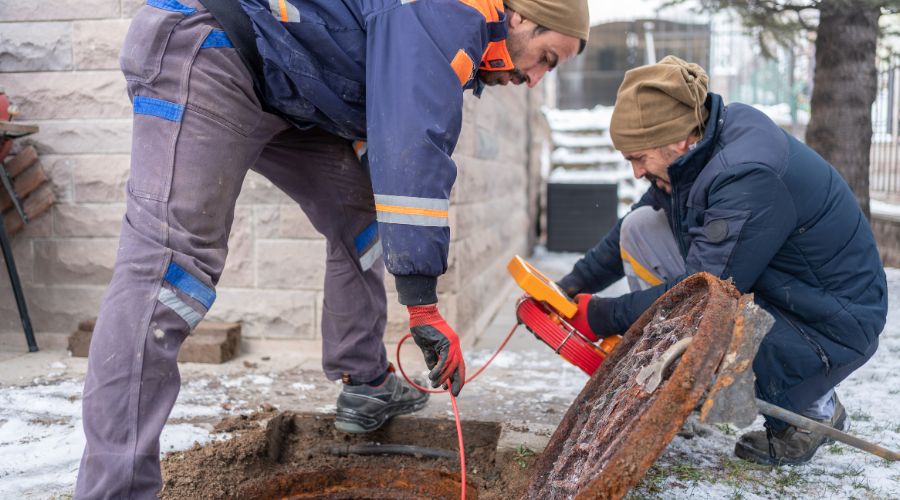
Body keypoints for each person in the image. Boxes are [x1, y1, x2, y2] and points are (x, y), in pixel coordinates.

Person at [74, 0, 589, 497]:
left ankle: (363, 381)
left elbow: (374, 84)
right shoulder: (450, 13)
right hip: (212, 45)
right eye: (546, 58)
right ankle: (115, 489)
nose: (536, 78)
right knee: (170, 272)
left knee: (358, 214)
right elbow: (412, 141)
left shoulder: (455, 29)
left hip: (284, 86)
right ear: (519, 16)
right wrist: (423, 306)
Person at [559, 56, 888, 466]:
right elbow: (639, 226)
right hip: (781, 287)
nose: (636, 170)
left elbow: (702, 290)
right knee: (642, 226)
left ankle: (810, 412)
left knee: (713, 346)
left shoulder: (746, 174)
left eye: (638, 157)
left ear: (677, 140)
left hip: (826, 322)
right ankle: (674, 370)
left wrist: (601, 315)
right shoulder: (697, 150)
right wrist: (571, 285)